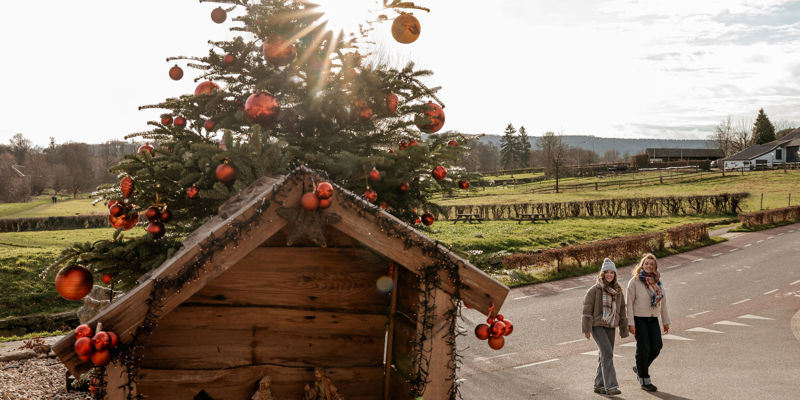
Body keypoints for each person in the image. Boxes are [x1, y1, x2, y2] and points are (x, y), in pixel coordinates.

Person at [582, 258, 628, 396]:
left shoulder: (618, 291)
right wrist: (587, 329)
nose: (609, 275)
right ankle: (611, 386)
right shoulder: (594, 290)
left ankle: (599, 384)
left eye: (611, 272)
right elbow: (586, 309)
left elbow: (622, 310)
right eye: (606, 272)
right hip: (597, 325)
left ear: (615, 274)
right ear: (602, 274)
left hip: (611, 325)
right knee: (607, 353)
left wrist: (624, 329)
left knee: (603, 354)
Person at [627, 253, 671, 392]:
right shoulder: (634, 281)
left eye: (652, 264)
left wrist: (666, 321)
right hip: (639, 318)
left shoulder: (658, 282)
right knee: (644, 347)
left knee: (657, 347)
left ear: (655, 267)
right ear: (642, 265)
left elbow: (663, 303)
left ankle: (640, 367)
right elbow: (629, 303)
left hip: (653, 318)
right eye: (646, 263)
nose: (649, 266)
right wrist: (630, 323)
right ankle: (645, 380)